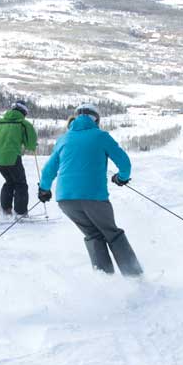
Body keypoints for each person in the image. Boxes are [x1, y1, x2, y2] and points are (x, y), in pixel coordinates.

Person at [37, 104, 142, 277]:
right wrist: (121, 178)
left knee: (93, 235)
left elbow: (48, 170)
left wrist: (44, 190)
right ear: (96, 120)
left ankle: (105, 281)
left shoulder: (63, 139)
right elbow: (124, 163)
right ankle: (135, 277)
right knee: (112, 234)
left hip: (66, 200)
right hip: (94, 198)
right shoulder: (101, 136)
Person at [0, 100, 38, 217]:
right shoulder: (23, 124)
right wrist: (33, 145)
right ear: (24, 112)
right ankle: (20, 213)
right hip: (13, 158)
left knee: (9, 182)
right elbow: (31, 145)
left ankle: (5, 210)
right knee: (21, 184)